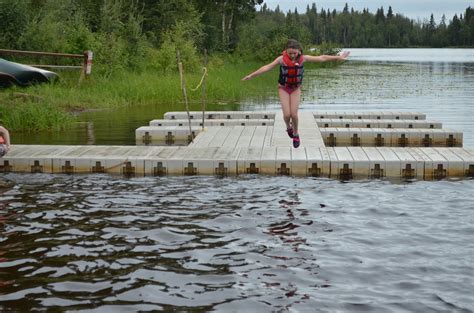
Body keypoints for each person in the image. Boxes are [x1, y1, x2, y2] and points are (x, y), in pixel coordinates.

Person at [242, 39, 350, 148]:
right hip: (283, 88)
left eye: (294, 53)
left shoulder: (303, 58)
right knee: (286, 115)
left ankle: (296, 133)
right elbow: (266, 67)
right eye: (290, 53)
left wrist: (338, 57)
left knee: (294, 114)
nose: (292, 55)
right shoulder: (281, 59)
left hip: (295, 89)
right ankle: (288, 127)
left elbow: (322, 58)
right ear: (286, 51)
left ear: (299, 51)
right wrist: (251, 75)